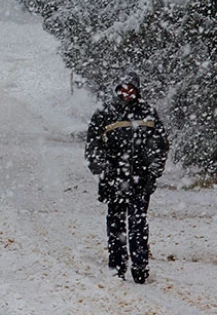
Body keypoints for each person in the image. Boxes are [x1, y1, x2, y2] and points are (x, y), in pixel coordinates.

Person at [84, 71, 169, 284]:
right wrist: (104, 172)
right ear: (117, 90)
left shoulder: (148, 113)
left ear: (138, 90)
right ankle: (117, 267)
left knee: (138, 222)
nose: (127, 93)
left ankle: (140, 267)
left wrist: (153, 171)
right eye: (124, 89)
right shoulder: (105, 113)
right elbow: (93, 147)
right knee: (115, 223)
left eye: (131, 89)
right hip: (114, 179)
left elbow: (160, 145)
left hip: (140, 178)